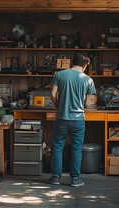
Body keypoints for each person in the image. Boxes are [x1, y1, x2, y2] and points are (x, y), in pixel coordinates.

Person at [49, 53, 96, 187]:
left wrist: (59, 105)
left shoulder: (60, 75)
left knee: (58, 147)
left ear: (72, 62)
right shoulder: (88, 79)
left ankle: (55, 178)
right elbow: (88, 103)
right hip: (78, 119)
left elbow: (52, 94)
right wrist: (83, 105)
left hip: (61, 118)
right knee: (76, 149)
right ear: (85, 65)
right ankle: (75, 179)